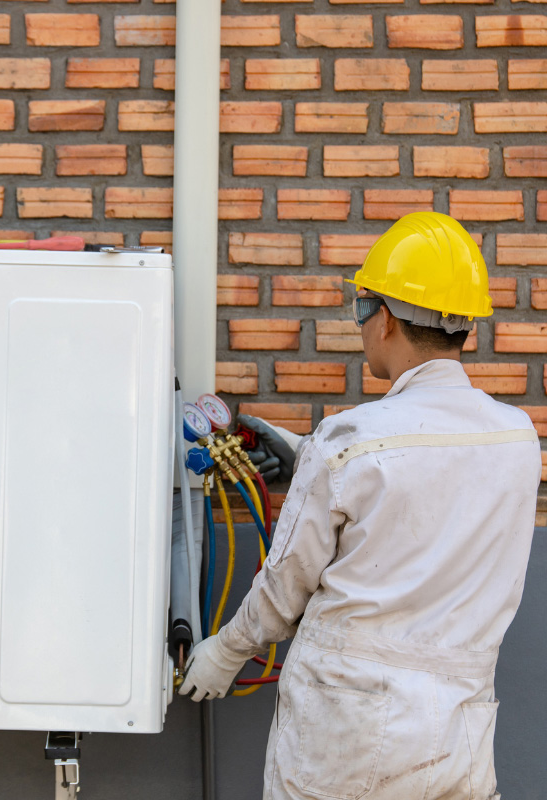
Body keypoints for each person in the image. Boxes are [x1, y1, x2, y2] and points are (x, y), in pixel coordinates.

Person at [179, 212, 541, 799]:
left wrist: (225, 650)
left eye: (362, 308)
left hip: (349, 730)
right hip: (459, 733)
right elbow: (433, 493)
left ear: (388, 321)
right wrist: (307, 460)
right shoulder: (517, 438)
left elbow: (283, 590)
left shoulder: (349, 441)